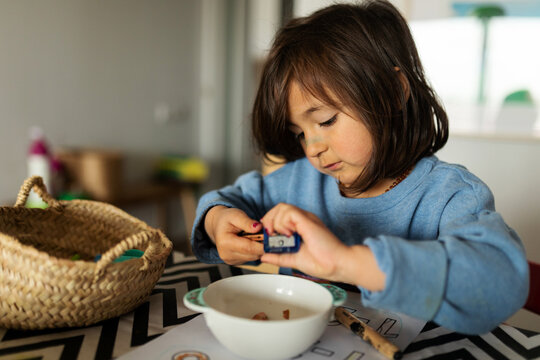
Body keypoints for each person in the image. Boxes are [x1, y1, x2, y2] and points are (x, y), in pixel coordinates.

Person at [191, 0, 528, 335]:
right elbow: (228, 199)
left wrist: (345, 261)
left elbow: (500, 283)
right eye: (299, 134)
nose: (313, 148)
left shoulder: (448, 196)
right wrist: (218, 219)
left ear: (394, 91)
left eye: (326, 120)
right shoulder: (299, 182)